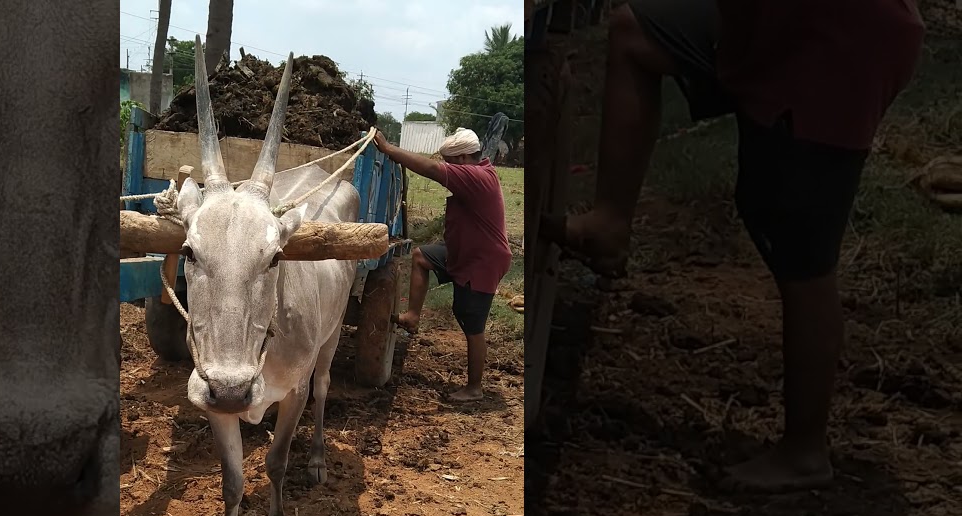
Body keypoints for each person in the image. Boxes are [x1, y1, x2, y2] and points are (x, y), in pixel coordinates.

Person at [541, 0, 924, 491]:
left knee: (800, 245)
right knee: (635, 32)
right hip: (779, 22)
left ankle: (805, 452)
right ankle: (609, 225)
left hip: (840, 41)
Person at [373, 127, 513, 402]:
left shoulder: (476, 176)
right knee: (422, 257)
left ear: (461, 160)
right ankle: (413, 316)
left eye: (451, 163)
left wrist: (389, 150)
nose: (448, 168)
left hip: (482, 260)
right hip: (464, 252)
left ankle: (474, 388)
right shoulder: (478, 171)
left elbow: (430, 169)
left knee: (471, 323)